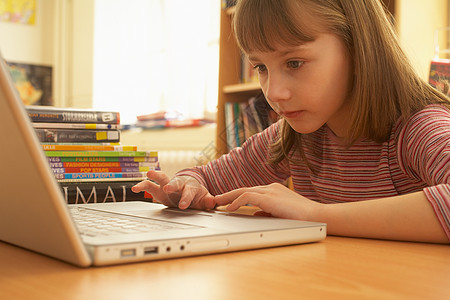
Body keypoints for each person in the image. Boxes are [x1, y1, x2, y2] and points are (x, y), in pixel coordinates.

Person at [132, 0, 450, 243]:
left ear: (357, 47)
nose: (274, 92)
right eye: (261, 67)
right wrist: (188, 186)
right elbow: (207, 176)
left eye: (294, 63)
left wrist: (315, 214)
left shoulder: (418, 127)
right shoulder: (294, 137)